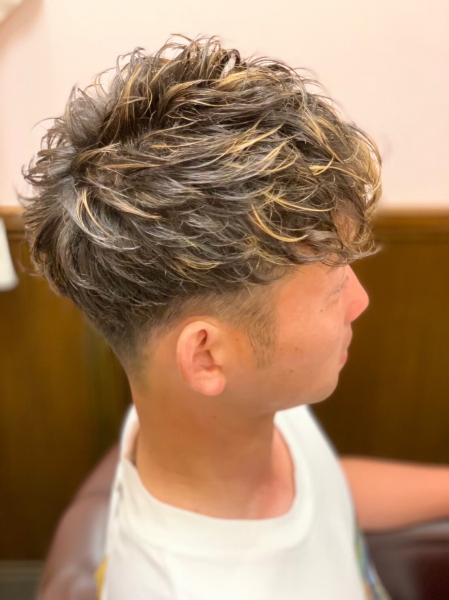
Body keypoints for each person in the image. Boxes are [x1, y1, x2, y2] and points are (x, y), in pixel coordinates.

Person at [22, 35, 449, 600]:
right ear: (205, 355)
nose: (359, 300)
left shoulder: (230, 407)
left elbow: (321, 491)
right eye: (331, 290)